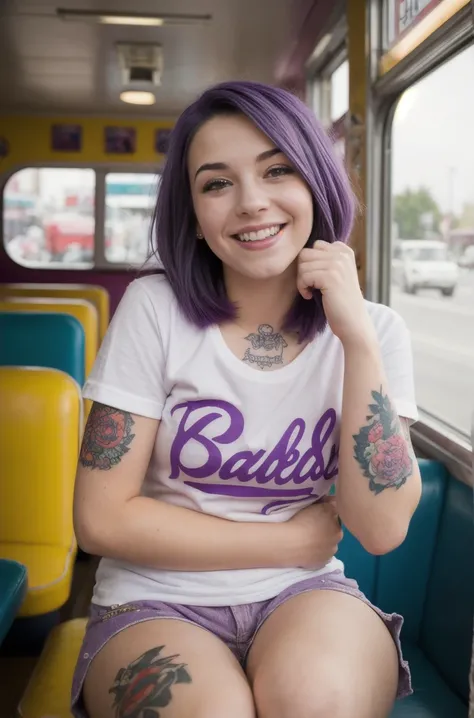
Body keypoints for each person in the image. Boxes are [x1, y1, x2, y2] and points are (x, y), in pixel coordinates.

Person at [71, 80, 421, 718]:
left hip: (307, 596)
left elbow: (381, 528)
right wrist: (288, 543)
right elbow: (100, 520)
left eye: (277, 170)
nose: (252, 203)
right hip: (151, 603)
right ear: (196, 218)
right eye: (216, 183)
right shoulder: (154, 311)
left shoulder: (375, 333)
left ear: (315, 180)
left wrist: (358, 344)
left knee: (320, 701)